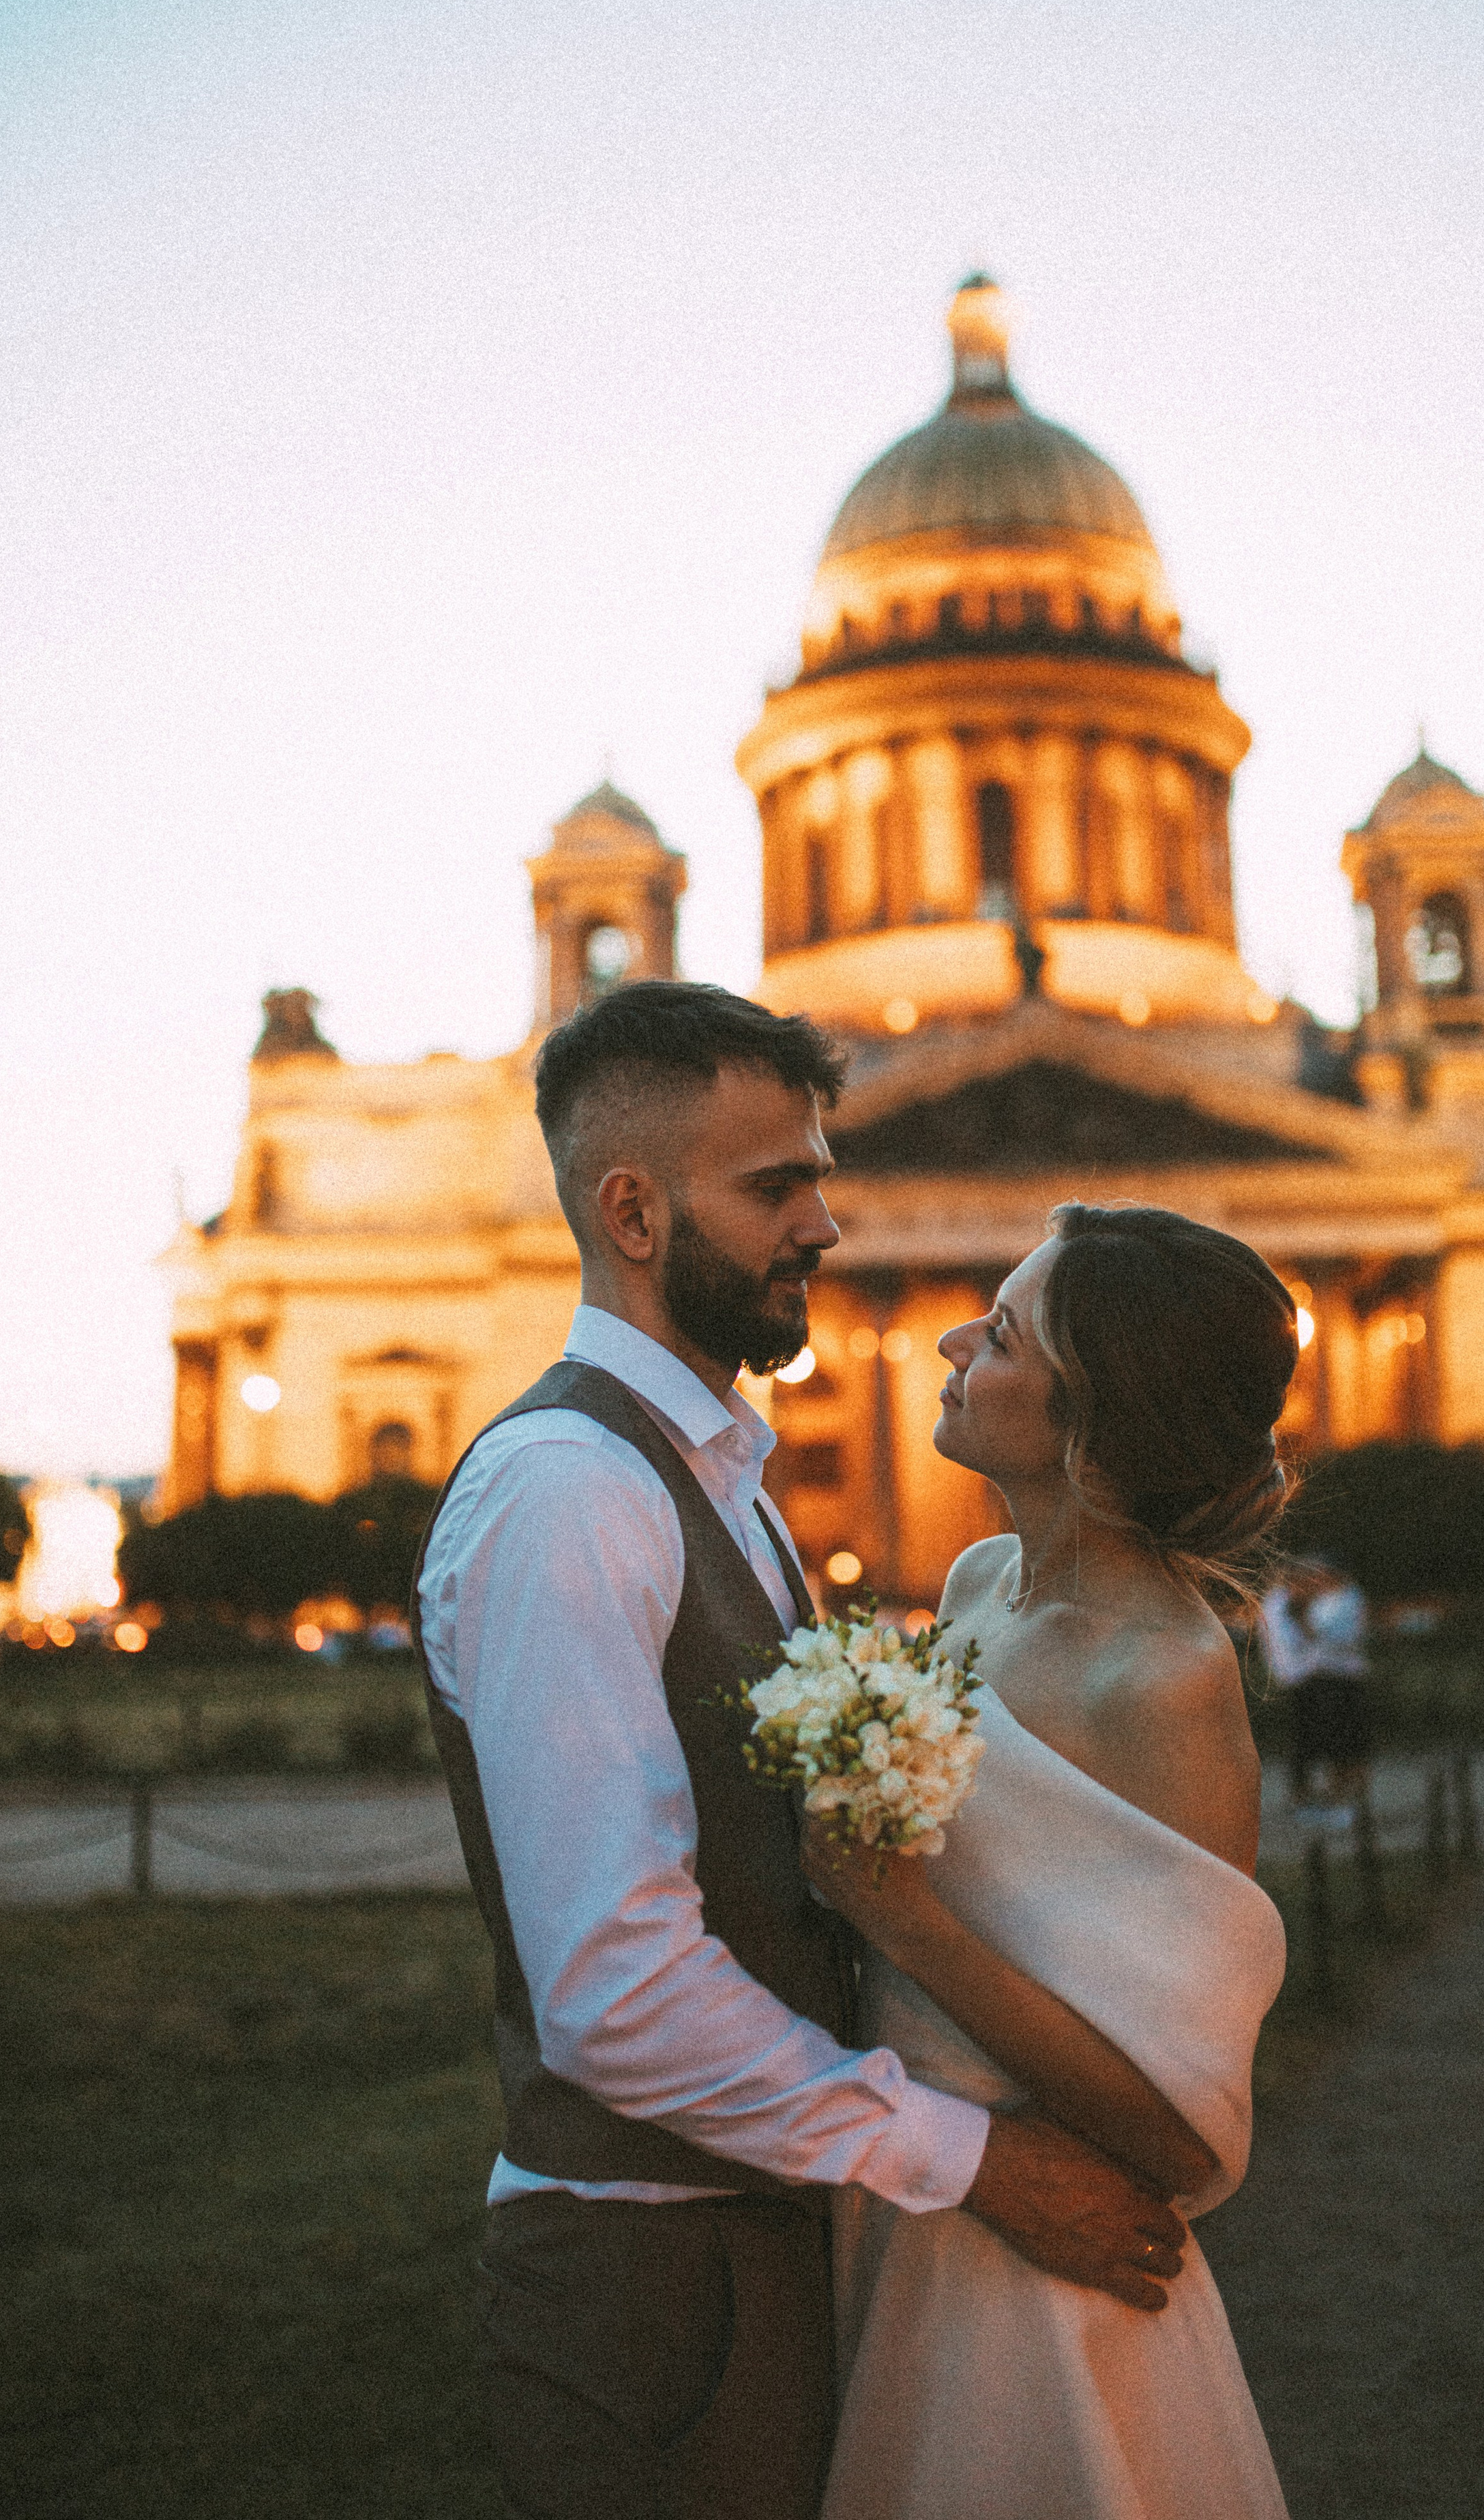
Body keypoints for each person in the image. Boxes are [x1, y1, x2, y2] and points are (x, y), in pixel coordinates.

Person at [411, 987, 1189, 2520]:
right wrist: (980, 2162)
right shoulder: (570, 1493)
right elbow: (614, 1995)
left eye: (819, 1175)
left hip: (762, 2230)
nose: (827, 1224)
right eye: (778, 1185)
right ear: (629, 1210)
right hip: (653, 2264)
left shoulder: (714, 1477)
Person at [808, 1203, 1298, 2520]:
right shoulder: (978, 1583)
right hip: (902, 2199)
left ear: (1096, 1415)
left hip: (1039, 2275)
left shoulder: (1166, 1681)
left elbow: (1177, 2131)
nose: (958, 1336)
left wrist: (899, 1922)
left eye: (1007, 1333)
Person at [1259, 1557, 1373, 1825]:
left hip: (1320, 1678)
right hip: (1304, 1679)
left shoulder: (1332, 1601)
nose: (1315, 1584)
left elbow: (1329, 1639)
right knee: (1311, 1741)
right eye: (1310, 1579)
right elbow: (1293, 1644)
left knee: (1336, 1740)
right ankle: (1310, 1801)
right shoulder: (1281, 1606)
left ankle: (1333, 1800)